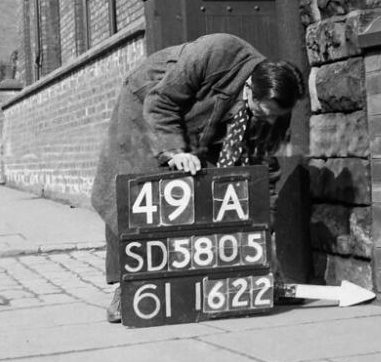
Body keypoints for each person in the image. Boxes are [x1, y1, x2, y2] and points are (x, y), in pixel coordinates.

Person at [91, 33, 305, 323]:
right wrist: (174, 150)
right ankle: (125, 287)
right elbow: (161, 101)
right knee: (134, 197)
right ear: (249, 90)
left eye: (274, 117)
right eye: (262, 113)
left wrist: (266, 248)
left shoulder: (274, 110)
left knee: (218, 194)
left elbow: (261, 174)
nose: (267, 122)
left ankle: (236, 279)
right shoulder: (217, 52)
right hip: (146, 104)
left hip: (199, 126)